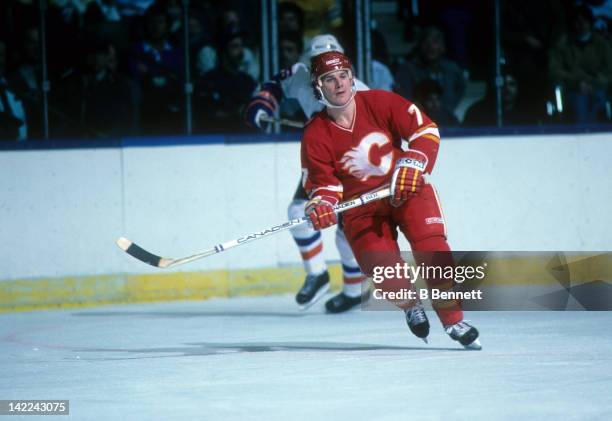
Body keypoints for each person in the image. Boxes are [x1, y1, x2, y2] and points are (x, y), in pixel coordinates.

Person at [300, 50, 481, 349]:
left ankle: (453, 320)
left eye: (344, 76)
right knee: (386, 274)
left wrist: (413, 162)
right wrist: (322, 205)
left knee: (432, 248)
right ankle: (411, 306)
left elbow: (425, 129)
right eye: (329, 79)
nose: (340, 84)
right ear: (318, 87)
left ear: (352, 77)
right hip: (362, 210)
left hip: (404, 189)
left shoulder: (380, 101)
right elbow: (324, 186)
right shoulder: (315, 134)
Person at [244, 34, 369, 313]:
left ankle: (351, 291)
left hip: (355, 164)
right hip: (322, 161)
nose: (323, 69)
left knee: (347, 232)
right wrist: (262, 104)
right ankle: (317, 273)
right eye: (317, 64)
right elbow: (276, 83)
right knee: (299, 213)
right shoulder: (300, 74)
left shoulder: (359, 91)